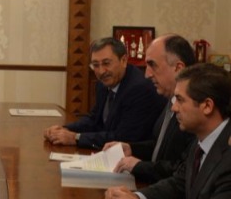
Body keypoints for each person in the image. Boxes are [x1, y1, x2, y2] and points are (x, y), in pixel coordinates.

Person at [105, 63, 231, 199]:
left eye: (180, 100)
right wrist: (138, 196)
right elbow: (179, 183)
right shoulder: (201, 140)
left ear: (207, 106)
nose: (174, 108)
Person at [44, 37, 166, 149]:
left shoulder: (139, 89)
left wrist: (76, 138)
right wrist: (63, 130)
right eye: (95, 65)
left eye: (106, 63)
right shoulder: (103, 83)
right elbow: (94, 119)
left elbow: (123, 138)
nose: (101, 71)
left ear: (123, 60)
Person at [104, 34, 195, 183]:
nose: (147, 74)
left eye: (153, 65)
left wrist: (140, 166)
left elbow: (182, 170)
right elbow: (160, 147)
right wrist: (131, 148)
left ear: (178, 68)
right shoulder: (169, 99)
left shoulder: (193, 110)